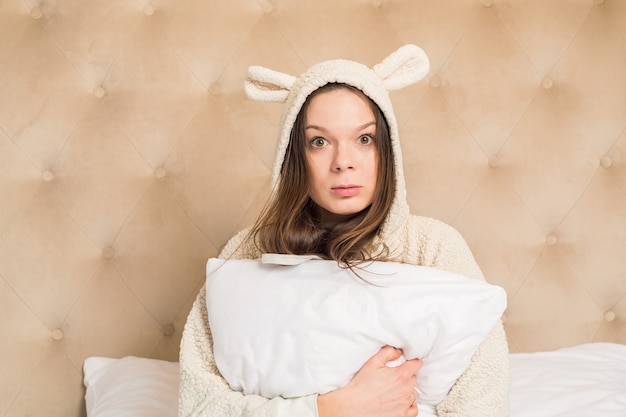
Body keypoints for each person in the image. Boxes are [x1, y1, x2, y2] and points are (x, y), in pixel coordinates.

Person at [179, 45, 510, 417]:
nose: (343, 163)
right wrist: (330, 409)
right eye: (319, 142)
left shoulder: (433, 248)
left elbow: (483, 401)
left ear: (388, 149)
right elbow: (198, 405)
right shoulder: (247, 252)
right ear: (294, 155)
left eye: (364, 139)